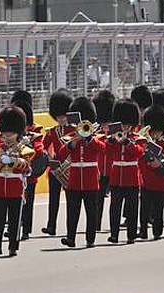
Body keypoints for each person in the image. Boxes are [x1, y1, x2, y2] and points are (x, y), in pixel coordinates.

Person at [0, 106, 34, 257]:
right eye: (5, 132)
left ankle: (13, 246)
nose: (7, 135)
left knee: (14, 220)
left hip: (15, 188)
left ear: (17, 132)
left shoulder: (24, 149)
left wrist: (12, 160)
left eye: (10, 132)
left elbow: (26, 167)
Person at [58, 97, 104, 248]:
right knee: (72, 210)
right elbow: (61, 154)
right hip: (75, 178)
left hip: (90, 178)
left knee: (91, 211)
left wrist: (90, 138)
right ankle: (70, 238)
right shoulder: (72, 136)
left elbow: (103, 149)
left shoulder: (96, 137)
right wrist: (73, 143)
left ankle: (90, 239)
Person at [106, 99, 146, 244]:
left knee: (132, 208)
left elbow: (139, 153)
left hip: (132, 177)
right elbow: (106, 151)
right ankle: (114, 234)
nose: (126, 127)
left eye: (128, 124)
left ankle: (131, 235)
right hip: (117, 176)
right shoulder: (114, 138)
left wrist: (127, 142)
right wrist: (111, 140)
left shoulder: (137, 139)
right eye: (123, 124)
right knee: (114, 208)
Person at [138, 106, 164, 241]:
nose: (155, 134)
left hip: (160, 181)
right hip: (147, 179)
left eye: (158, 132)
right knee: (144, 209)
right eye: (153, 132)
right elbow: (140, 160)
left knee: (159, 209)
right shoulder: (145, 144)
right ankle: (143, 231)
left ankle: (157, 232)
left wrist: (161, 163)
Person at [41, 89, 74, 236]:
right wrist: (48, 158)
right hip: (56, 169)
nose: (61, 119)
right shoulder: (52, 131)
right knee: (53, 199)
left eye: (63, 116)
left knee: (70, 200)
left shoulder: (74, 130)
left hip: (70, 168)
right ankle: (51, 225)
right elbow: (43, 146)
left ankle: (70, 228)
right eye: (58, 116)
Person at [13, 91, 45, 241]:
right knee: (15, 202)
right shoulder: (13, 135)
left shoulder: (35, 132)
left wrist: (29, 143)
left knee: (29, 203)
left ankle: (26, 229)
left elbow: (39, 149)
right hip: (15, 173)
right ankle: (15, 227)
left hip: (29, 174)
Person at [93, 90, 116, 232]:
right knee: (97, 199)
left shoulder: (116, 129)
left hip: (113, 168)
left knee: (116, 201)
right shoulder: (95, 130)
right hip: (100, 168)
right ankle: (96, 224)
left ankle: (114, 226)